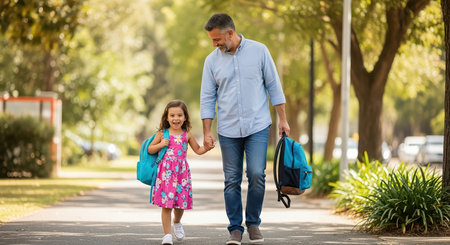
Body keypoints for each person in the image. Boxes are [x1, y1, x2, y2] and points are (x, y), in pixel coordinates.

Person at [200, 13, 290, 245]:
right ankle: (235, 229)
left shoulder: (260, 51)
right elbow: (207, 98)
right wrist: (207, 131)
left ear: (230, 33)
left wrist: (283, 119)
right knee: (231, 179)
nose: (215, 44)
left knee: (257, 174)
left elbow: (274, 85)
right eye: (212, 40)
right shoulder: (211, 61)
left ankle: (253, 223)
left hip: (257, 125)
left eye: (217, 39)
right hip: (228, 129)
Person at [149, 100, 212, 245]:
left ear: (185, 118)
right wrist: (160, 144)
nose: (175, 118)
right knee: (166, 205)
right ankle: (167, 235)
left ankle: (177, 221)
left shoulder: (187, 135)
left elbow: (198, 150)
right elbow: (150, 149)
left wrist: (207, 147)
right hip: (165, 174)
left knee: (179, 204)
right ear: (166, 117)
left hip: (181, 174)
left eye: (179, 115)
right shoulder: (162, 134)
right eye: (172, 115)